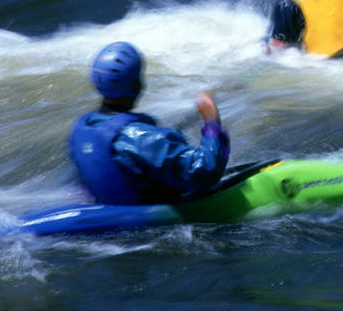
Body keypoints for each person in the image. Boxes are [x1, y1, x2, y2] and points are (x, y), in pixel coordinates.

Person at [69, 41, 230, 205]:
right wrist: (212, 121)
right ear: (136, 85)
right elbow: (204, 172)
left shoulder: (81, 128)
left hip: (111, 206)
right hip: (148, 214)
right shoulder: (141, 137)